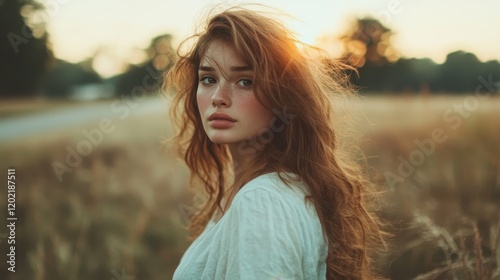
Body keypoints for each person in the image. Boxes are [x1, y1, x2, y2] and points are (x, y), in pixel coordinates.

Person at [165, 5, 385, 280]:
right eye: (208, 79)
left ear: (283, 96)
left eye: (245, 81)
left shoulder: (261, 202)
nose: (218, 97)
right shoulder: (265, 189)